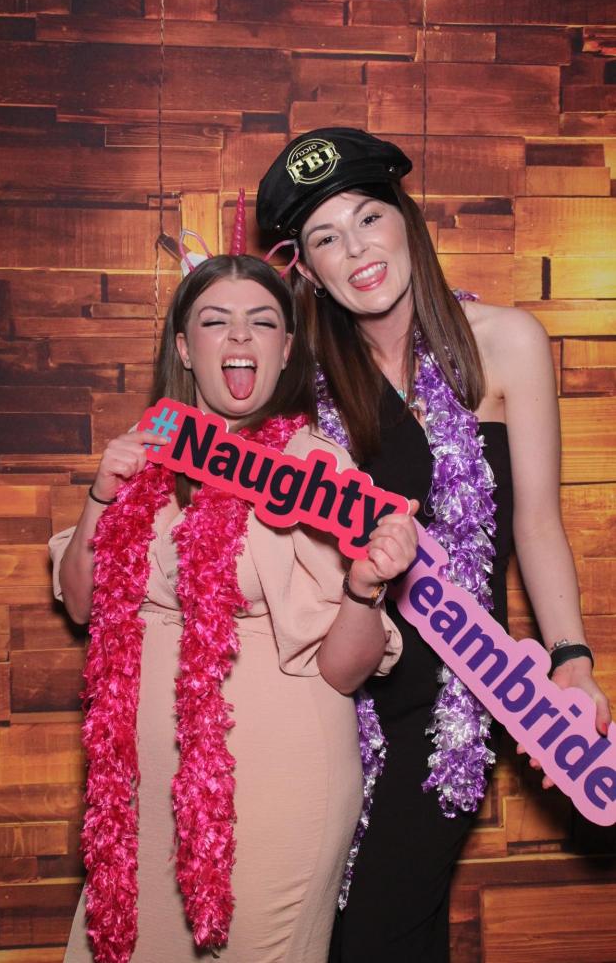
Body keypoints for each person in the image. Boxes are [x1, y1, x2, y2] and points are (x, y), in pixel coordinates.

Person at [256, 128, 612, 963]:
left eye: (368, 218)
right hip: (333, 697)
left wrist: (570, 655)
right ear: (307, 269)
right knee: (348, 937)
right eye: (325, 238)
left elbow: (536, 522)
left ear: (405, 218)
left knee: (377, 933)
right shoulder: (300, 380)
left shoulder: (506, 342)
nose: (356, 251)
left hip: (451, 696)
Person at [49, 252, 419, 963]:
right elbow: (82, 603)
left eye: (263, 323)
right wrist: (100, 495)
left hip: (275, 783)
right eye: (216, 322)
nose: (241, 336)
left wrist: (366, 585)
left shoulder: (314, 474)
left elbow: (344, 673)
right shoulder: (147, 454)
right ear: (186, 349)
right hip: (140, 788)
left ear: (286, 350)